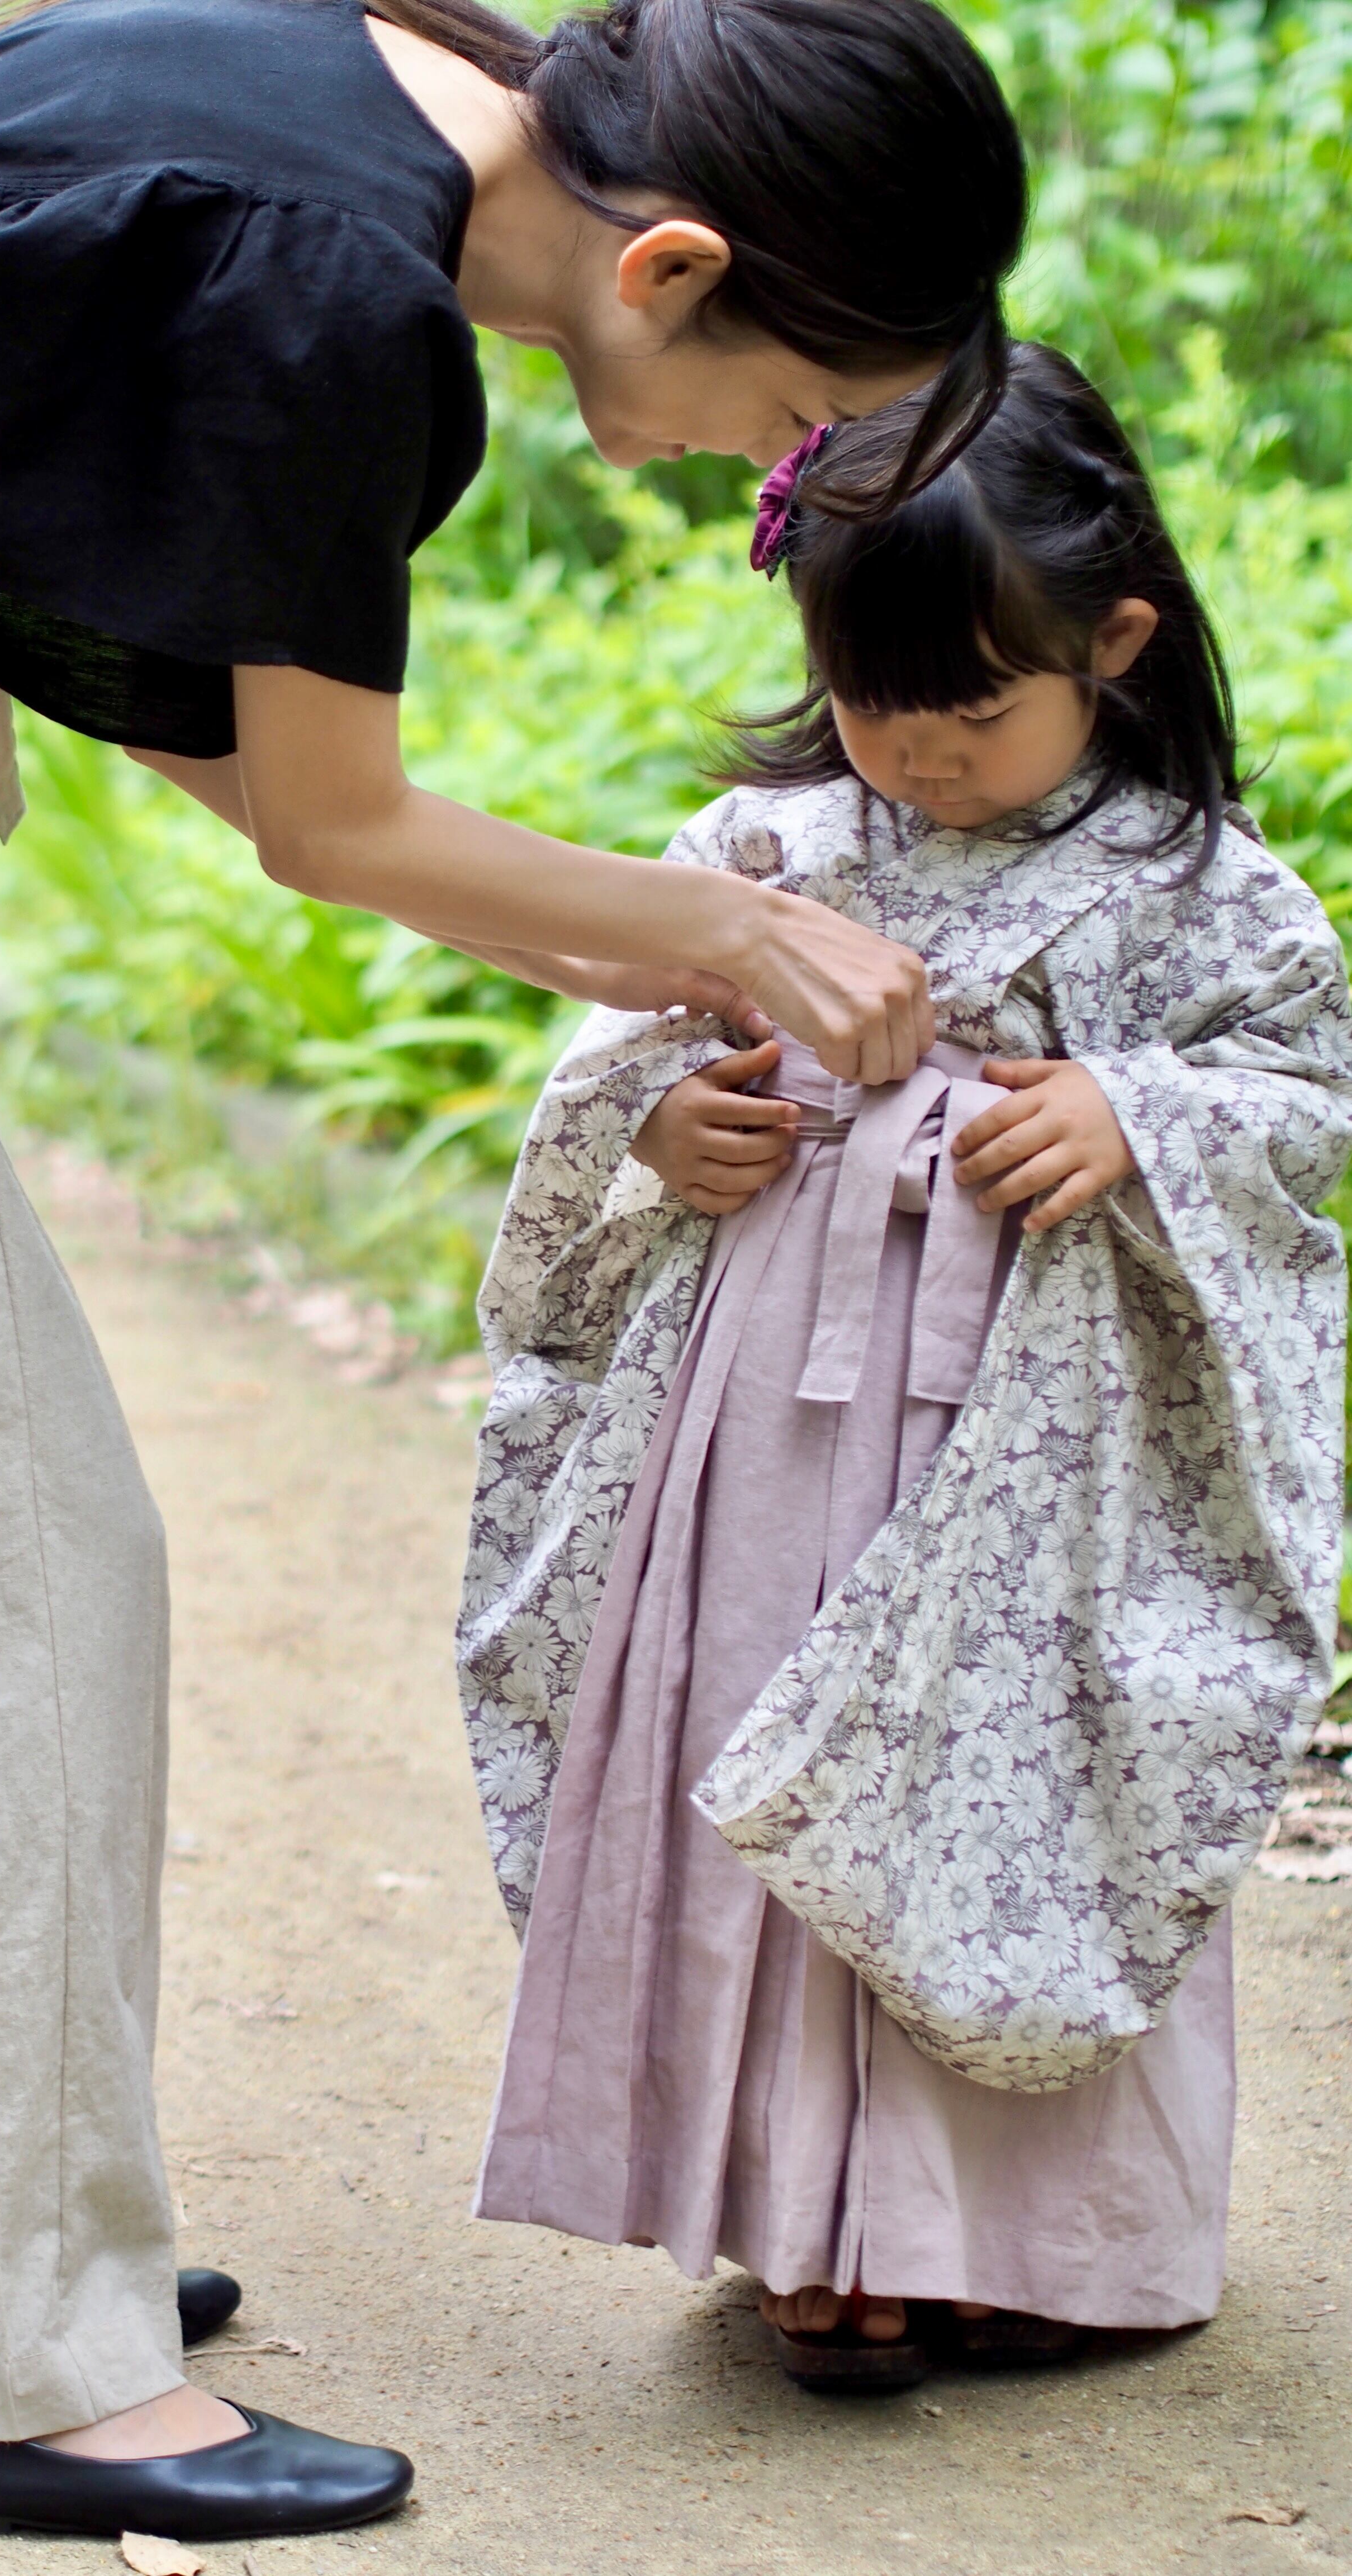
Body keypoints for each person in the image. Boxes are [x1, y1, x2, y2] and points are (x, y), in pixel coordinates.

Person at [0, 0, 1027, 2539]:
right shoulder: (341, 297)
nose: (775, 472)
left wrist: (663, 938)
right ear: (677, 262)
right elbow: (331, 827)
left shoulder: (379, 95)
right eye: (795, 410)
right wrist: (730, 936)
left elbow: (196, 701)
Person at [458, 344, 1352, 2393]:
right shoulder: (762, 850)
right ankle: (804, 2220)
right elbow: (637, 1057)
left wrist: (1138, 1113)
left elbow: (1305, 1096)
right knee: (778, 1760)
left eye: (973, 709)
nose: (918, 758)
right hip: (768, 1422)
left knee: (1004, 1768)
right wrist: (676, 1131)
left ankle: (1012, 2238)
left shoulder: (1211, 892)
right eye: (875, 703)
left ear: (1113, 644)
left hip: (1049, 1449)